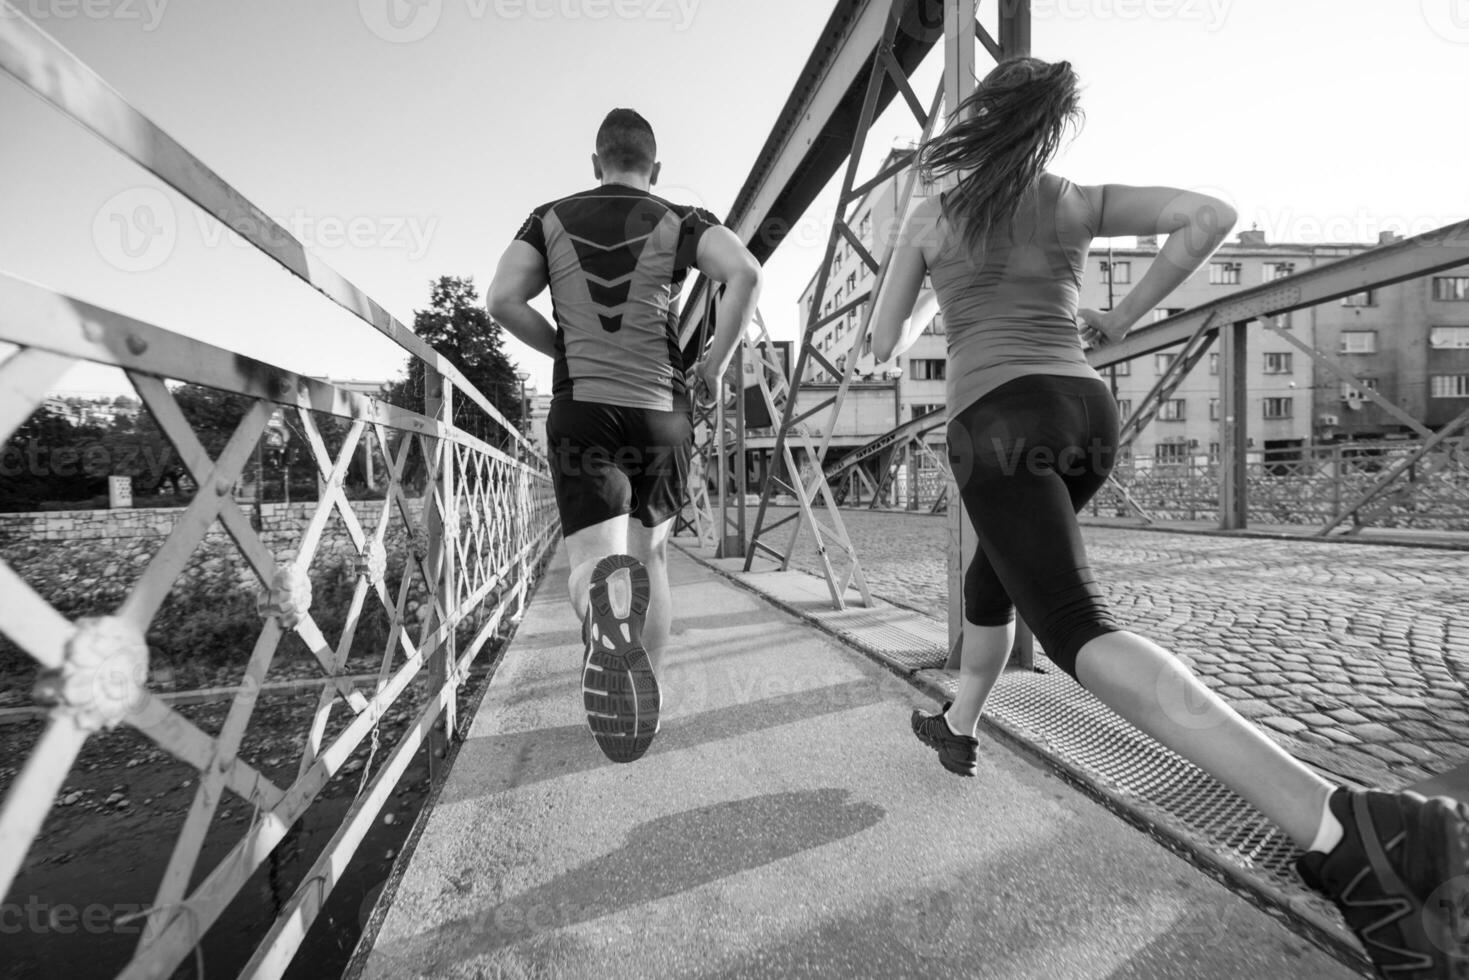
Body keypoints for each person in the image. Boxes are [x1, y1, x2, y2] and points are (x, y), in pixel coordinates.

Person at [868, 57, 1467, 979]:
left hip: (994, 420)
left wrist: (921, 303)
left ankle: (1347, 824)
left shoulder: (932, 210)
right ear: (1046, 127)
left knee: (1074, 624)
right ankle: (960, 721)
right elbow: (1208, 218)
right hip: (1082, 415)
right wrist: (1124, 316)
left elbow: (880, 341)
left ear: (978, 120)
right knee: (994, 581)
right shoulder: (1073, 198)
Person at [488, 108, 761, 764]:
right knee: (652, 558)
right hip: (661, 412)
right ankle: (645, 695)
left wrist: (562, 348)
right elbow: (746, 273)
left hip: (583, 408)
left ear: (594, 164)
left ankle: (603, 620)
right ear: (655, 168)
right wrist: (714, 363)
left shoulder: (547, 216)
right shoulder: (681, 217)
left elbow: (500, 301)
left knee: (596, 561)